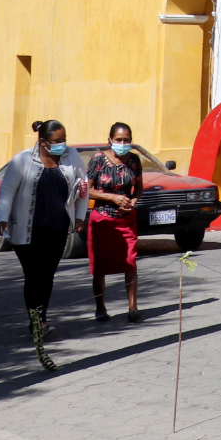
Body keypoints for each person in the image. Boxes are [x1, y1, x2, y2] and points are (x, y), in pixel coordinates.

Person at [0, 120, 87, 370]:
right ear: (43, 142)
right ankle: (36, 321)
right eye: (57, 141)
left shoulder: (72, 156)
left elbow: (82, 188)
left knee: (47, 275)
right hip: (27, 229)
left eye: (65, 139)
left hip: (57, 228)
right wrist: (1, 218)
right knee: (34, 275)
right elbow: (7, 192)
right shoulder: (22, 160)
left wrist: (79, 217)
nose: (63, 145)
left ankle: (41, 316)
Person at [85, 123, 143, 323]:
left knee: (130, 262)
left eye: (126, 140)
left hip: (127, 219)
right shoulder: (98, 160)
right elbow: (87, 190)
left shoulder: (134, 160)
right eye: (119, 140)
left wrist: (133, 201)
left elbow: (139, 187)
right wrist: (112, 198)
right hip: (102, 219)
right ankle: (100, 308)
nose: (123, 143)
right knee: (100, 265)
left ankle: (133, 307)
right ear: (110, 140)